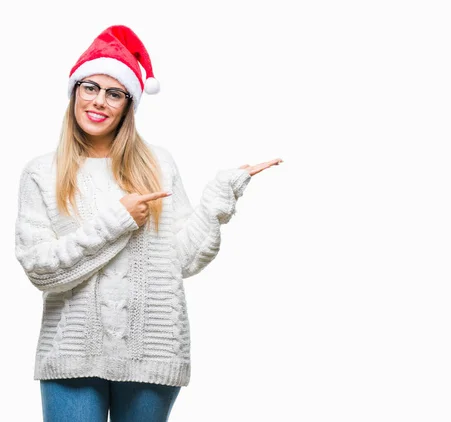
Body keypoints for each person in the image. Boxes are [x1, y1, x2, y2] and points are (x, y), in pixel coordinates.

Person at [14, 25, 282, 422]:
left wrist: (218, 200)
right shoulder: (42, 172)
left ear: (128, 104)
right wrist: (118, 220)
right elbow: (40, 270)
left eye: (114, 93)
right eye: (90, 87)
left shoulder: (157, 164)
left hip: (152, 349)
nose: (100, 101)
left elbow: (183, 261)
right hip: (71, 353)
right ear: (74, 92)